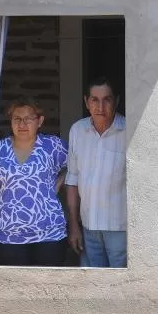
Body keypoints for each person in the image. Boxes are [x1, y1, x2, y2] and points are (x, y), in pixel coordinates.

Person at [0, 99, 69, 266]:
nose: (22, 124)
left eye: (28, 119)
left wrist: (58, 182)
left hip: (50, 234)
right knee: (14, 289)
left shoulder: (53, 146)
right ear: (11, 122)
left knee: (49, 288)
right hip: (9, 236)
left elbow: (78, 164)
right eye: (17, 119)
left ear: (39, 121)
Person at [66, 77, 127, 268]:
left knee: (119, 286)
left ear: (117, 101)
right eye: (94, 100)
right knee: (91, 286)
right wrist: (74, 225)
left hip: (120, 227)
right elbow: (73, 179)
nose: (100, 106)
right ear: (86, 102)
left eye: (106, 99)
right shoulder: (77, 130)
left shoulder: (129, 130)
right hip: (88, 226)